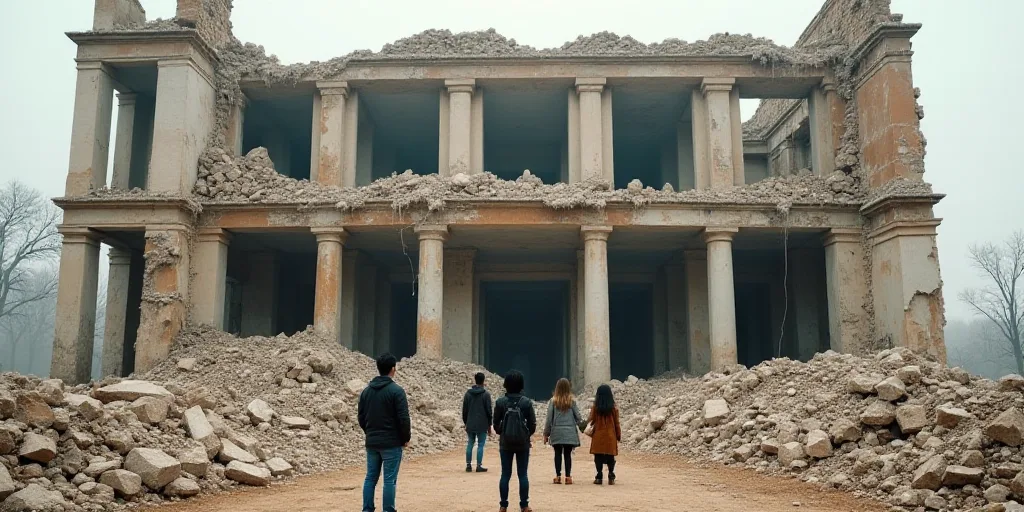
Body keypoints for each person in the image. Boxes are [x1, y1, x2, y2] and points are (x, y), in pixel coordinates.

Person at [358, 353, 411, 512]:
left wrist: (370, 432)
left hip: (372, 442)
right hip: (391, 443)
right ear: (393, 369)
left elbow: (361, 417)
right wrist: (405, 438)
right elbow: (403, 418)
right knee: (389, 480)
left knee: (370, 478)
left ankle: (367, 509)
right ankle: (388, 509)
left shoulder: (366, 391)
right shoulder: (397, 391)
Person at [493, 369, 536, 512]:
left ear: (505, 384)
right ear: (521, 385)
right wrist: (525, 435)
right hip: (522, 444)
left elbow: (495, 424)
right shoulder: (526, 403)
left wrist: (503, 432)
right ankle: (524, 505)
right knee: (522, 474)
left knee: (505, 474)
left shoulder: (500, 402)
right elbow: (532, 424)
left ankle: (503, 505)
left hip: (505, 443)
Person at [543, 378, 583, 485]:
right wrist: (584, 428)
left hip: (557, 432)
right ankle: (568, 477)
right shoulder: (572, 401)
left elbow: (549, 419)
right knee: (567, 454)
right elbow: (578, 417)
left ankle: (558, 476)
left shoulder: (553, 401)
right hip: (569, 433)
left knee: (557, 454)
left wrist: (546, 433)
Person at [587, 384, 621, 485]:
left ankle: (599, 476)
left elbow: (591, 420)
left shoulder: (595, 408)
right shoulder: (614, 409)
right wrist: (618, 435)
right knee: (610, 456)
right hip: (610, 435)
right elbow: (617, 423)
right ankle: (611, 475)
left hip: (598, 435)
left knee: (598, 456)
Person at [462, 371, 494, 472]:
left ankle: (468, 465)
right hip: (482, 424)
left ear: (475, 380)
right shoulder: (486, 394)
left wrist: (466, 422)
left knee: (470, 443)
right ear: (483, 381)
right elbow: (489, 411)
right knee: (480, 444)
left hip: (470, 423)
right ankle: (478, 465)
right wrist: (489, 425)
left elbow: (464, 410)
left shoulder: (468, 394)